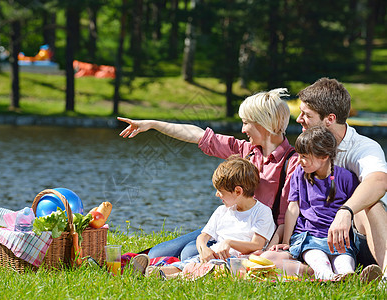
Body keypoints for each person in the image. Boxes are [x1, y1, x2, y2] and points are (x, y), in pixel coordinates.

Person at [118, 88, 298, 260]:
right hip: (226, 227)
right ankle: (146, 263)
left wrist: (266, 253)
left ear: (264, 123)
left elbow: (283, 217)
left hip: (253, 237)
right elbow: (198, 135)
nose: (242, 130)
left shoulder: (292, 162)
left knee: (189, 253)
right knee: (156, 253)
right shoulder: (245, 150)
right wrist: (153, 124)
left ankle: (171, 268)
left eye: (246, 122)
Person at [263, 77, 387, 282]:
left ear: (329, 119)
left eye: (306, 115)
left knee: (372, 205)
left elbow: (379, 182)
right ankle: (325, 273)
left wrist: (346, 211)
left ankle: (384, 277)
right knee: (271, 260)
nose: (299, 119)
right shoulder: (306, 154)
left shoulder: (364, 147)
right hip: (315, 237)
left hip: (359, 237)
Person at [145, 156, 275, 278]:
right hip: (215, 255)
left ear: (238, 191)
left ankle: (170, 276)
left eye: (221, 191)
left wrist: (229, 243)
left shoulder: (262, 212)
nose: (217, 195)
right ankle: (152, 272)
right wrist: (204, 249)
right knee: (188, 263)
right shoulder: (222, 211)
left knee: (211, 268)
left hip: (239, 260)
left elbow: (257, 244)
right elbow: (203, 236)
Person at [271, 126, 359, 280]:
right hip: (309, 237)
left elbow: (357, 210)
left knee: (344, 262)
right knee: (319, 261)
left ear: (324, 156)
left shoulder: (346, 178)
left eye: (304, 156)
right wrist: (286, 241)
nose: (299, 160)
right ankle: (327, 276)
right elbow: (293, 208)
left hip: (337, 240)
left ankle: (348, 276)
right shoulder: (299, 174)